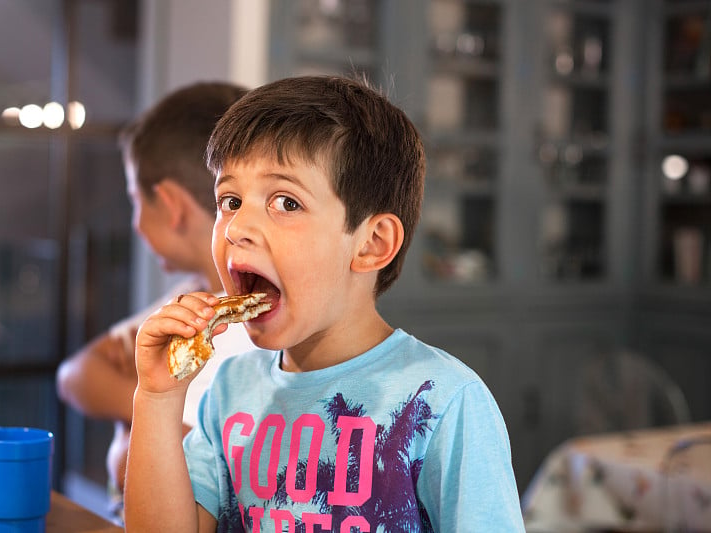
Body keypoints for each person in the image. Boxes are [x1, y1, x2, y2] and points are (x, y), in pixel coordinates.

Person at [124, 75, 525, 532]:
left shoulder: (443, 400)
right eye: (230, 200)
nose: (237, 227)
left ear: (372, 244)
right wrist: (157, 397)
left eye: (286, 202)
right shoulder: (229, 390)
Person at [55, 81, 251, 499]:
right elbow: (78, 374)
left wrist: (142, 427)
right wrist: (158, 410)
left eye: (134, 200)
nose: (135, 223)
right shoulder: (186, 299)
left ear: (172, 205)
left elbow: (130, 467)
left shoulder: (262, 332)